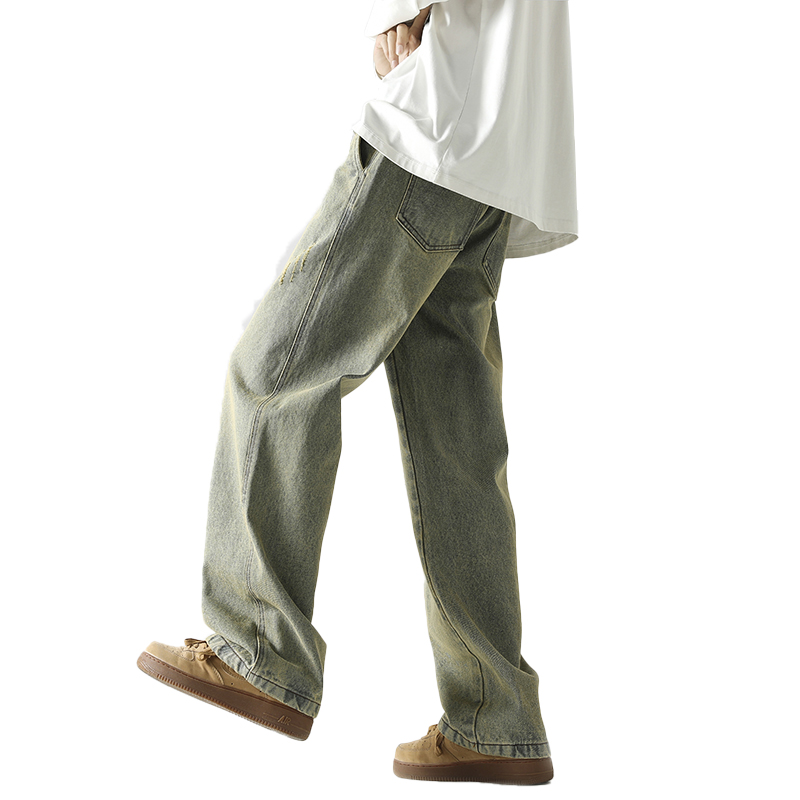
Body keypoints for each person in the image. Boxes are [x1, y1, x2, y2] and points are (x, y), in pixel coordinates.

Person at [137, 0, 577, 785]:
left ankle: (260, 646)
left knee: (276, 369)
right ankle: (494, 715)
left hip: (439, 118)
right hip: (500, 137)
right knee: (456, 445)